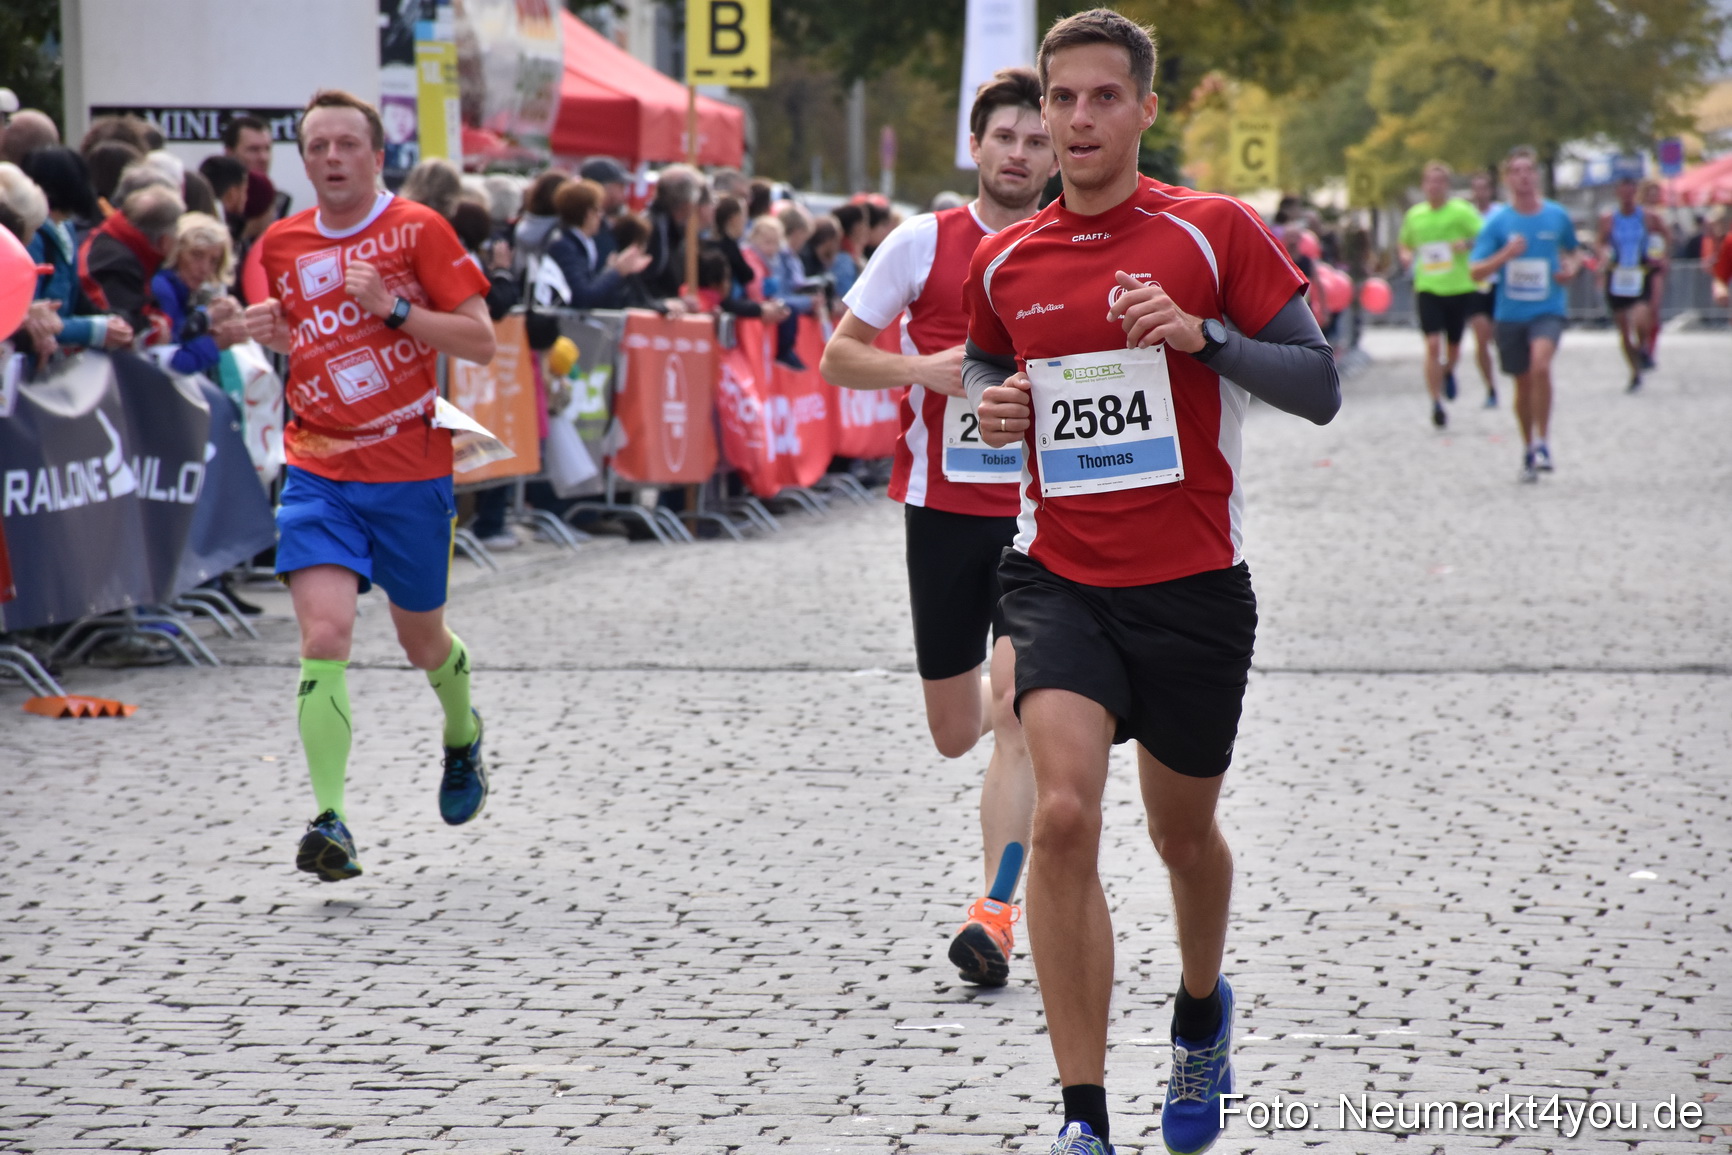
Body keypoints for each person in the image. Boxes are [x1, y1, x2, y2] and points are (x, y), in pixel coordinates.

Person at [963, 11, 1339, 1153]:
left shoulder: (1212, 231)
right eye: (1061, 101)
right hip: (1058, 576)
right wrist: (990, 403)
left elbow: (1316, 383)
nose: (1077, 120)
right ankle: (1084, 1117)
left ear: (1144, 110)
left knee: (1184, 839)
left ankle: (1198, 1011)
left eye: (1101, 99)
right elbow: (987, 358)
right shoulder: (1006, 257)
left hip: (1191, 589)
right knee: (1065, 813)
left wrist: (1200, 336)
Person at [821, 66, 1058, 991]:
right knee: (956, 727)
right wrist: (929, 370)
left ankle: (994, 911)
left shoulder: (1073, 244)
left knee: (1017, 711)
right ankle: (1003, 890)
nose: (1021, 153)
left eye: (1036, 139)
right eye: (1006, 137)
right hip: (944, 510)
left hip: (1044, 516)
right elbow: (841, 356)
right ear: (976, 145)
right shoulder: (922, 243)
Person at [241, 89, 497, 882]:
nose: (331, 159)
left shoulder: (419, 230)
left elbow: (482, 340)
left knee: (423, 640)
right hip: (318, 466)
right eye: (317, 146)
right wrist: (277, 335)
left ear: (377, 156)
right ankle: (331, 818)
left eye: (347, 144)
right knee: (325, 637)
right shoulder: (280, 242)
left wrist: (394, 312)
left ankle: (461, 734)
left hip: (410, 468)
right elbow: (305, 335)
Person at [1469, 145, 1580, 483]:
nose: (1523, 177)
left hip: (1548, 309)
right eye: (1516, 171)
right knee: (1522, 382)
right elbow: (1475, 271)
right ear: (1507, 179)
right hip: (1510, 313)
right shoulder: (1498, 223)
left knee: (1541, 365)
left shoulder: (1556, 216)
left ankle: (1544, 441)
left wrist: (1570, 270)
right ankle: (1528, 445)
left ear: (1537, 176)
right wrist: (1504, 255)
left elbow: (1574, 253)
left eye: (1528, 170)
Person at [1398, 161, 1485, 428]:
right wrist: (1405, 256)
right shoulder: (1415, 215)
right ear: (1424, 185)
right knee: (1433, 345)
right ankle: (1436, 402)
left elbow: (1485, 236)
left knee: (1454, 346)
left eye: (1439, 182)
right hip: (1428, 286)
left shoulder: (1461, 211)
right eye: (1429, 181)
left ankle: (1448, 371)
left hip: (1458, 286)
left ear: (1446, 185)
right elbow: (1405, 243)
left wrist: (1466, 244)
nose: (1434, 187)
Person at [22, 147, 133, 352]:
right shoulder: (34, 237)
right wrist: (95, 330)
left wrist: (114, 320)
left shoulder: (66, 230)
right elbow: (30, 318)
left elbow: (76, 300)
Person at [78, 182, 184, 341]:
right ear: (165, 241)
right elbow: (122, 325)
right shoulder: (119, 263)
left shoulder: (111, 238)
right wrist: (156, 327)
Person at [150, 211, 248, 375]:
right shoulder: (161, 289)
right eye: (197, 255)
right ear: (176, 250)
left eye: (213, 261)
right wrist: (216, 342)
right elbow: (171, 364)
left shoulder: (180, 292)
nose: (204, 268)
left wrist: (206, 322)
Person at [1596, 176, 1666, 392]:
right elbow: (1600, 241)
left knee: (1641, 318)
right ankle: (1634, 371)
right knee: (1623, 331)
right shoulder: (1609, 218)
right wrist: (1603, 255)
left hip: (1640, 274)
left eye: (1630, 192)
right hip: (1617, 277)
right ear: (1617, 193)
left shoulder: (1647, 217)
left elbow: (1664, 236)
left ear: (1635, 193)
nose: (1627, 197)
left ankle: (1643, 346)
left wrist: (1660, 255)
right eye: (1623, 192)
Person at [541, 178, 652, 309]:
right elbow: (583, 296)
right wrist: (616, 271)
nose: (601, 216)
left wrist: (609, 270)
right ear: (589, 213)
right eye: (598, 210)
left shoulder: (579, 242)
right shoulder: (564, 246)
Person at [1464, 171, 1501, 405]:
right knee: (1481, 338)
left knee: (1499, 336)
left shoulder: (1500, 215)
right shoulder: (1465, 215)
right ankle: (1490, 387)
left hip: (1500, 282)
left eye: (1484, 188)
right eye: (1476, 188)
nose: (1480, 193)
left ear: (1490, 190)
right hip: (1474, 283)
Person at [1636, 178, 1672, 370]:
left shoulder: (1659, 215)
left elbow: (1667, 236)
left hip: (1655, 265)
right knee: (1639, 309)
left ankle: (1649, 350)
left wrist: (1664, 256)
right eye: (1650, 192)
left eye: (1656, 193)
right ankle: (1640, 346)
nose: (1654, 196)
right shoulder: (1636, 214)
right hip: (1637, 266)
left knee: (1654, 308)